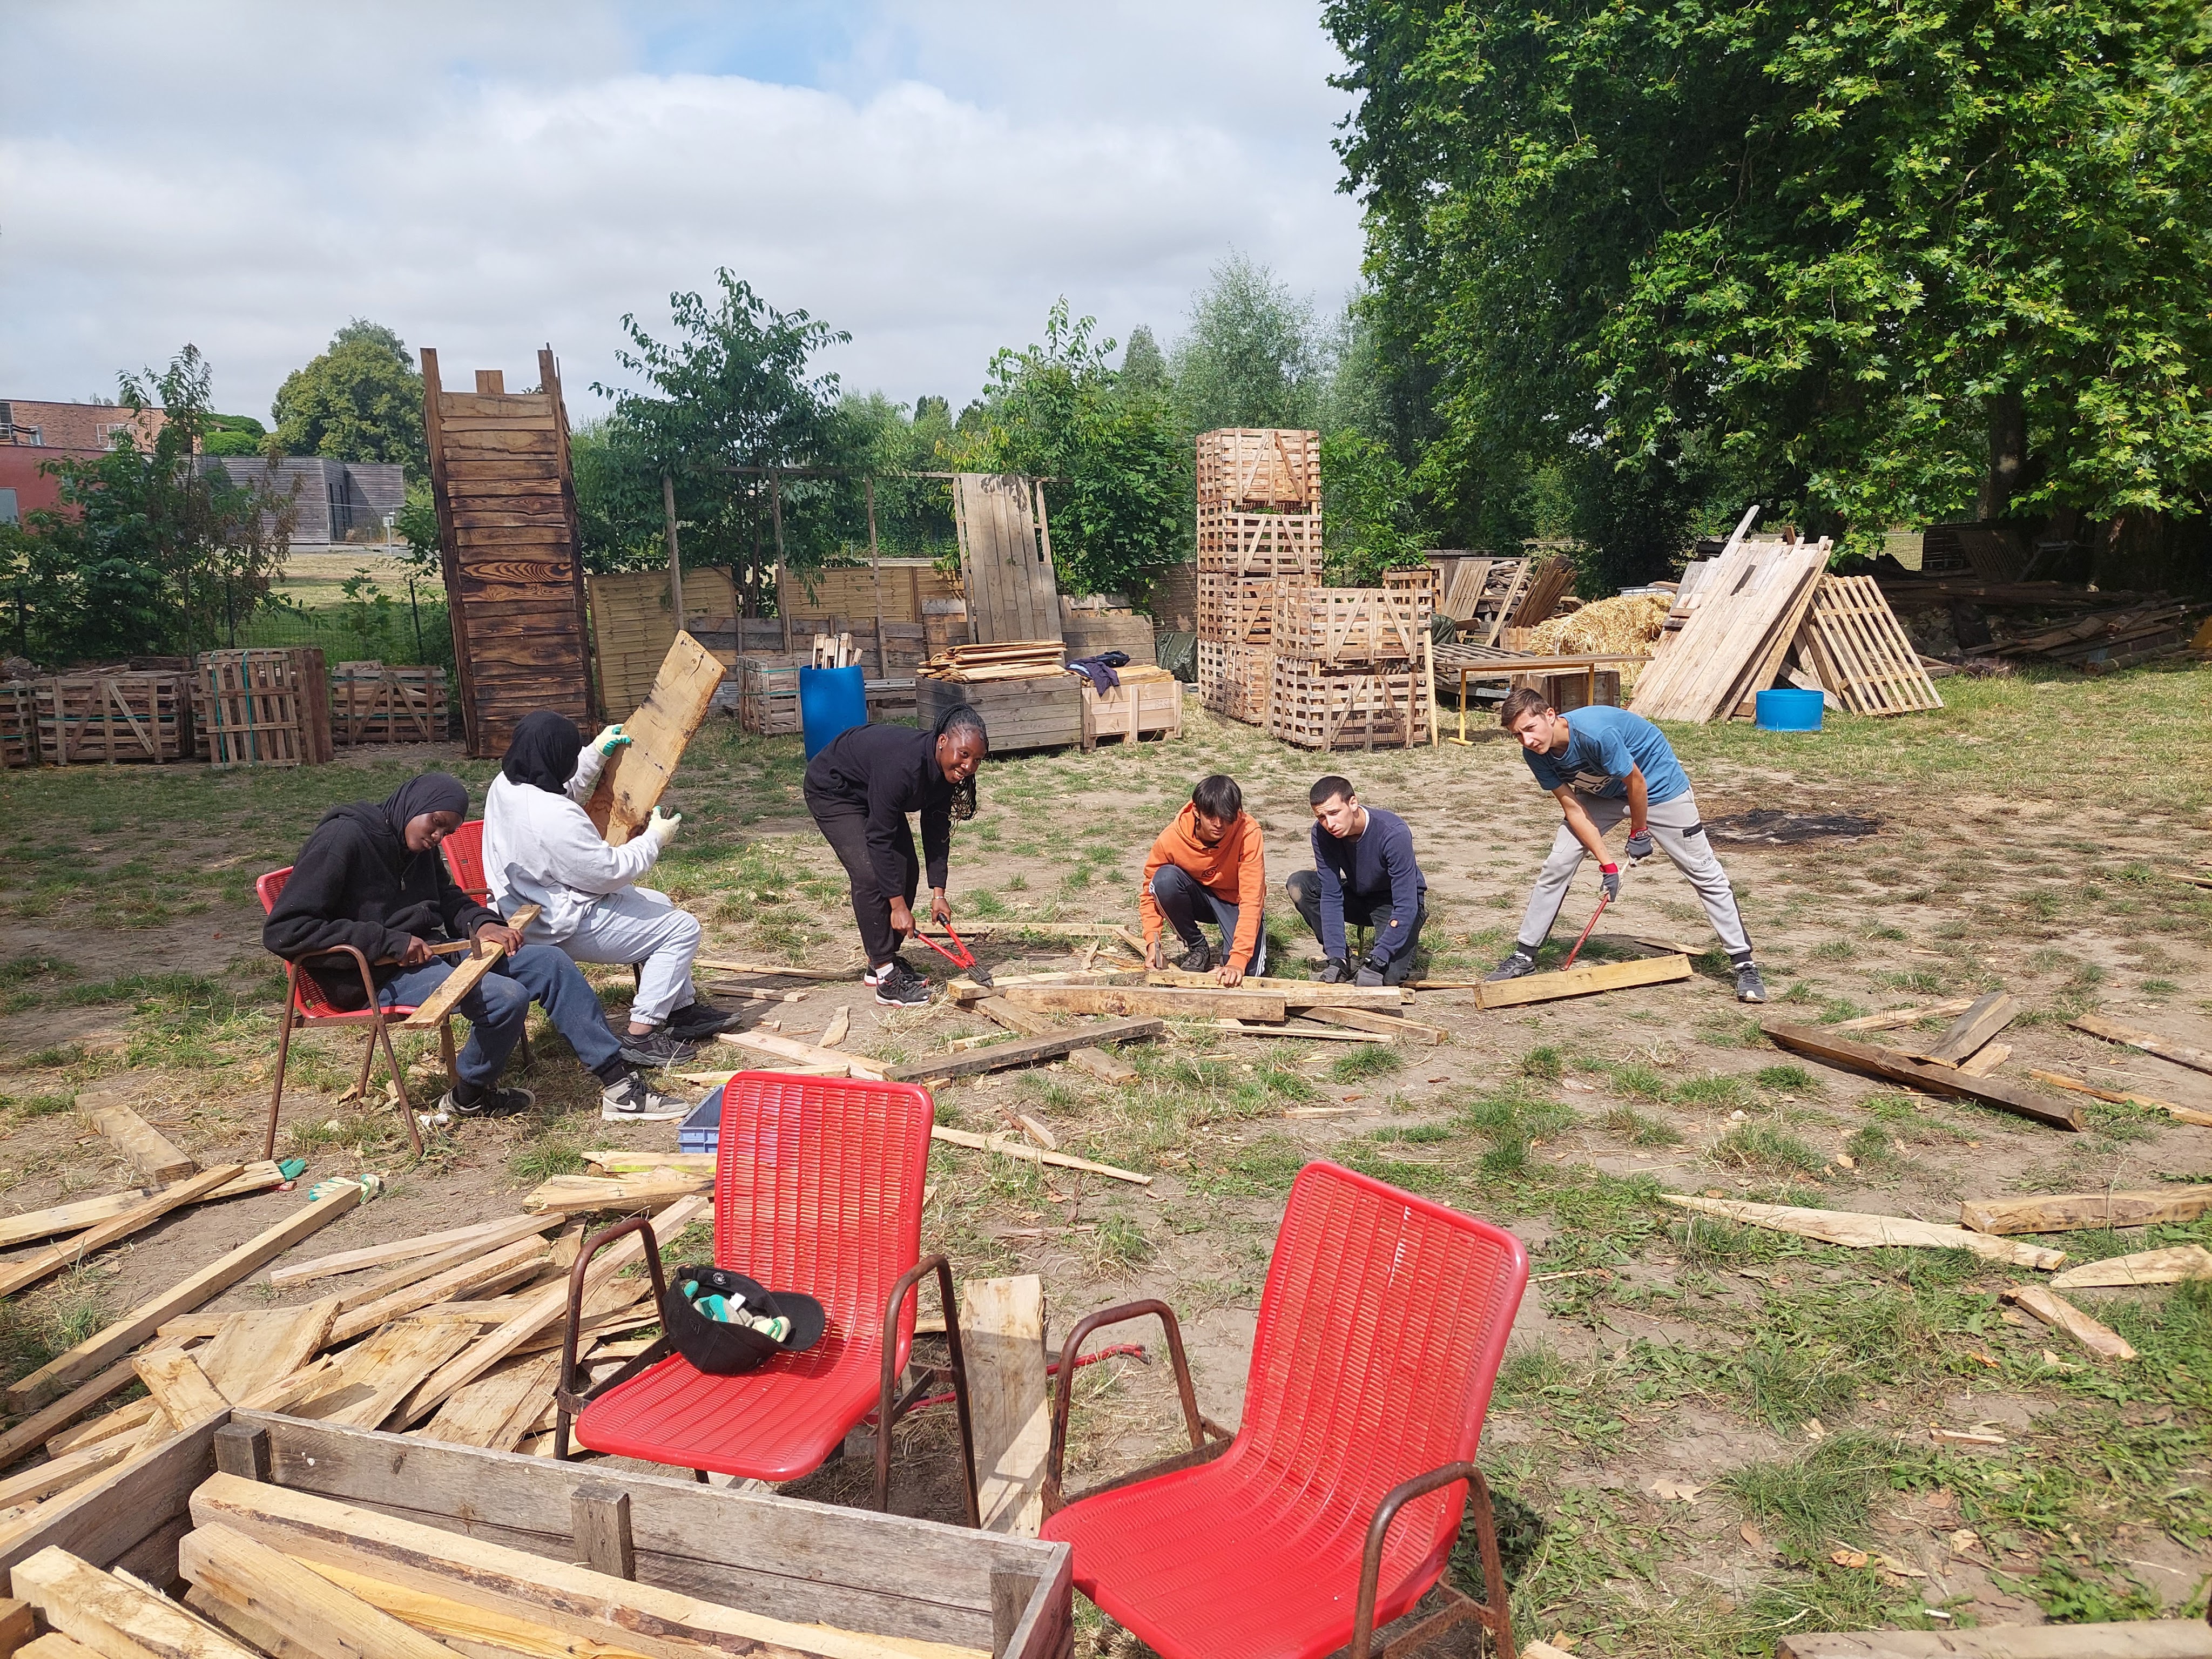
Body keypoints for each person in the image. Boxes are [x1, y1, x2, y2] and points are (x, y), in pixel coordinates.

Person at [262, 772, 690, 1123]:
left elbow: (447, 898)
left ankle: (618, 1086)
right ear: (414, 805)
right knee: (505, 997)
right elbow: (285, 930)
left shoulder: (413, 843)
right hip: (368, 975)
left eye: (447, 830)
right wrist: (386, 943)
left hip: (427, 954)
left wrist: (484, 923)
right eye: (436, 824)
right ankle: (470, 1095)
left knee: (548, 962)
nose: (438, 836)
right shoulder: (344, 839)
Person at [481, 711, 734, 1071]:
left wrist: (594, 753)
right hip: (555, 923)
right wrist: (654, 840)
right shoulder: (554, 818)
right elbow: (608, 873)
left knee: (661, 905)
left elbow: (557, 786)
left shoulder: (507, 785)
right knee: (682, 928)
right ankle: (641, 1035)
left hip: (532, 902)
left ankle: (681, 1010)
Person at [1488, 689, 1765, 1002]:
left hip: (1659, 789)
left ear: (1550, 715)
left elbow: (1636, 782)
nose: (1527, 741)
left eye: (1530, 729)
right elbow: (1574, 809)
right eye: (1517, 735)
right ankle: (1524, 955)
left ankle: (1744, 963)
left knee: (1703, 872)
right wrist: (1607, 864)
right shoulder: (1536, 754)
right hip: (1605, 794)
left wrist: (1639, 832)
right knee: (1558, 863)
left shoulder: (1596, 734)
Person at [804, 706, 989, 1008]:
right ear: (942, 741)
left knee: (906, 871)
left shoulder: (946, 775)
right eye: (964, 754)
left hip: (872, 789)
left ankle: (880, 961)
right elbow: (879, 839)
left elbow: (936, 830)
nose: (968, 766)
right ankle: (886, 978)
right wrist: (897, 906)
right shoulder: (903, 766)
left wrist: (938, 894)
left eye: (977, 760)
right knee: (871, 876)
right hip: (835, 789)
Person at [1288, 775, 1427, 986]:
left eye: (1334, 813)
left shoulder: (1392, 832)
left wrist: (1378, 959)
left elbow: (1406, 905)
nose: (1329, 824)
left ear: (1353, 803)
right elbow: (1331, 894)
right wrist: (1336, 956)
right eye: (1322, 817)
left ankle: (1378, 959)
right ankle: (1345, 962)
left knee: (1385, 978)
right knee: (1300, 885)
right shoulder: (1321, 833)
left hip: (1394, 903)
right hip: (1358, 895)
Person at [1139, 773, 1267, 985]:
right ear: (1197, 811)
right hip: (1198, 898)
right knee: (1164, 880)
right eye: (1211, 816)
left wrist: (1238, 959)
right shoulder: (1171, 838)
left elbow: (1252, 897)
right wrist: (1153, 942)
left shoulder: (1248, 832)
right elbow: (1149, 891)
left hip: (1235, 901)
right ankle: (1197, 946)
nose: (1219, 824)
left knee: (1248, 974)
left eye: (1227, 817)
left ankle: (1234, 953)